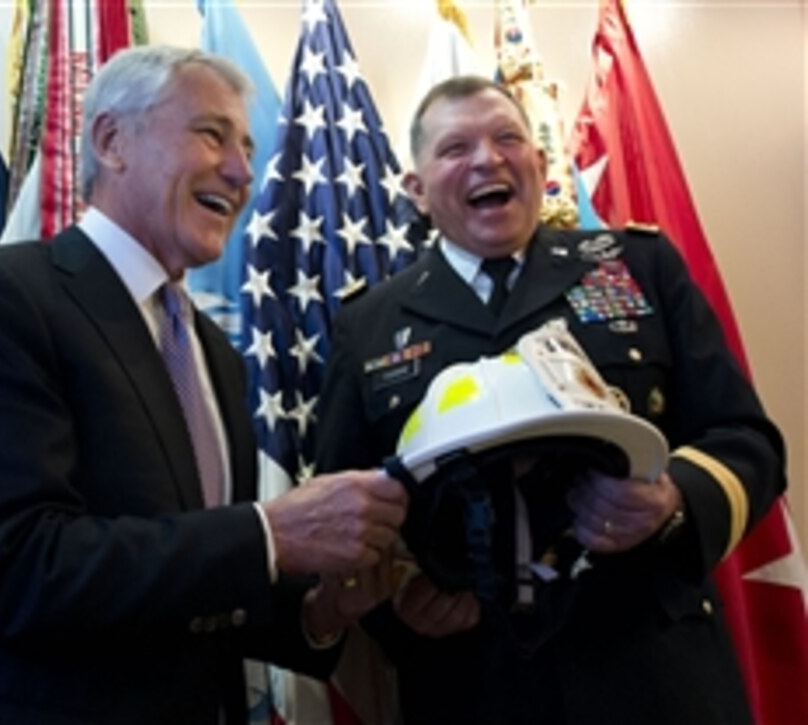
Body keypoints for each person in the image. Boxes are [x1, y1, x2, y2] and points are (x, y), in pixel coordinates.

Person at [0, 45, 408, 725]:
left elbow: (196, 587)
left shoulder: (215, 353)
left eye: (248, 147)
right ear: (111, 141)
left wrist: (319, 610)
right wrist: (268, 533)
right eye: (211, 133)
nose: (241, 169)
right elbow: (13, 570)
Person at [314, 74, 786, 725]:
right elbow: (344, 503)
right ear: (416, 190)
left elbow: (748, 440)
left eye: (509, 138)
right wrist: (402, 595)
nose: (488, 158)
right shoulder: (366, 324)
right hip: (472, 686)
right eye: (456, 148)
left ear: (539, 163)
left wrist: (674, 499)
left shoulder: (637, 266)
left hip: (653, 675)